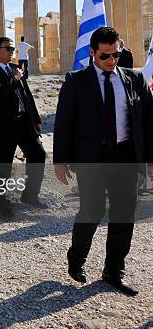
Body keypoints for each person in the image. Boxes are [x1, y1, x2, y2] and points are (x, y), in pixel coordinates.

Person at [54, 26, 153, 296]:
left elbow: (148, 121)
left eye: (116, 55)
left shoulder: (135, 79)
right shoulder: (76, 81)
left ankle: (114, 271)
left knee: (124, 215)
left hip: (125, 158)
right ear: (93, 53)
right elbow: (64, 123)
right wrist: (60, 160)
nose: (111, 61)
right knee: (92, 211)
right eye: (105, 56)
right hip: (91, 160)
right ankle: (76, 257)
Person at [0, 37, 47, 218]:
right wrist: (15, 79)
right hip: (1, 127)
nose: (11, 52)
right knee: (3, 166)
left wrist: (36, 119)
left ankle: (30, 196)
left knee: (38, 155)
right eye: (8, 49)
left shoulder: (16, 68)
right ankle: (1, 204)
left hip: (24, 122)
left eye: (12, 49)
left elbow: (27, 96)